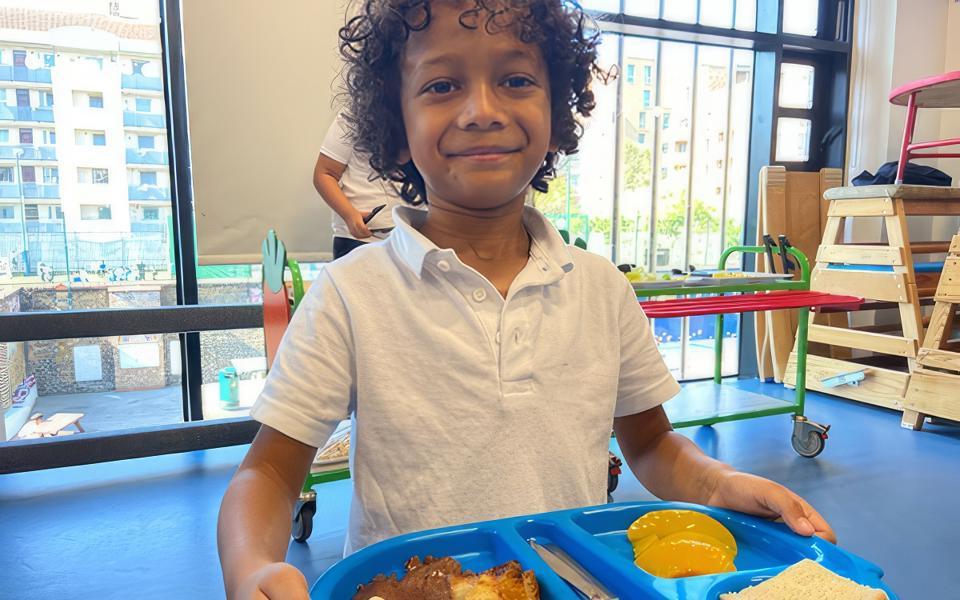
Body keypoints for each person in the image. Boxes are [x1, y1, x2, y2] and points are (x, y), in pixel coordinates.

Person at [218, 2, 835, 598]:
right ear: (395, 126)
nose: (482, 110)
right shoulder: (352, 294)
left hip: (575, 583)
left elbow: (650, 443)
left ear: (555, 113)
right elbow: (269, 472)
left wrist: (720, 482)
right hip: (416, 591)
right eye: (441, 86)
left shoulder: (601, 289)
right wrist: (250, 568)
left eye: (515, 79)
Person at [313, 110, 405, 259]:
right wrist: (349, 215)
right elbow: (325, 174)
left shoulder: (423, 114)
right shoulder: (352, 116)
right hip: (360, 240)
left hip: (412, 241)